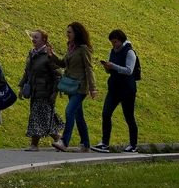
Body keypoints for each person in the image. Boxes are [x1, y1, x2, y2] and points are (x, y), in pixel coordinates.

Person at [47, 22, 98, 152]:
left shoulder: (83, 49)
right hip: (71, 85)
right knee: (78, 115)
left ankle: (64, 141)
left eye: (70, 32)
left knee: (69, 111)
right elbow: (63, 64)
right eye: (67, 32)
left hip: (81, 86)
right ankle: (85, 145)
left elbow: (89, 68)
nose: (67, 34)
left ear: (77, 33)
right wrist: (51, 55)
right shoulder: (72, 48)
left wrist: (93, 87)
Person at [92, 29, 139, 153]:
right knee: (106, 113)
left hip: (127, 89)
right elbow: (111, 70)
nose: (113, 45)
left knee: (129, 117)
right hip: (114, 88)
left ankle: (133, 145)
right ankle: (105, 143)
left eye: (115, 42)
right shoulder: (112, 51)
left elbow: (129, 70)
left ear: (121, 40)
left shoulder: (129, 52)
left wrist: (113, 66)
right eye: (112, 42)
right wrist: (107, 68)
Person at [17, 29, 64, 151]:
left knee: (37, 117)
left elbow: (57, 75)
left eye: (36, 37)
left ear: (44, 40)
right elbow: (27, 73)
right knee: (44, 117)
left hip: (45, 91)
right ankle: (59, 138)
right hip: (34, 91)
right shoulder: (32, 54)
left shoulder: (48, 55)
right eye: (33, 37)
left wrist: (55, 92)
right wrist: (21, 87)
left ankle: (34, 145)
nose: (33, 39)